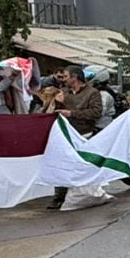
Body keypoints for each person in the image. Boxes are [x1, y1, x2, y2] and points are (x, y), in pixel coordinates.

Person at [47, 65, 103, 211]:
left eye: (66, 76)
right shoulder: (63, 92)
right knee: (61, 163)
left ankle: (86, 194)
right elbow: (52, 111)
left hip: (84, 135)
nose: (63, 79)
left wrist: (72, 113)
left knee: (81, 166)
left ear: (75, 77)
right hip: (65, 134)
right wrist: (57, 102)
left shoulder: (92, 93)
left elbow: (95, 113)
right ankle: (59, 196)